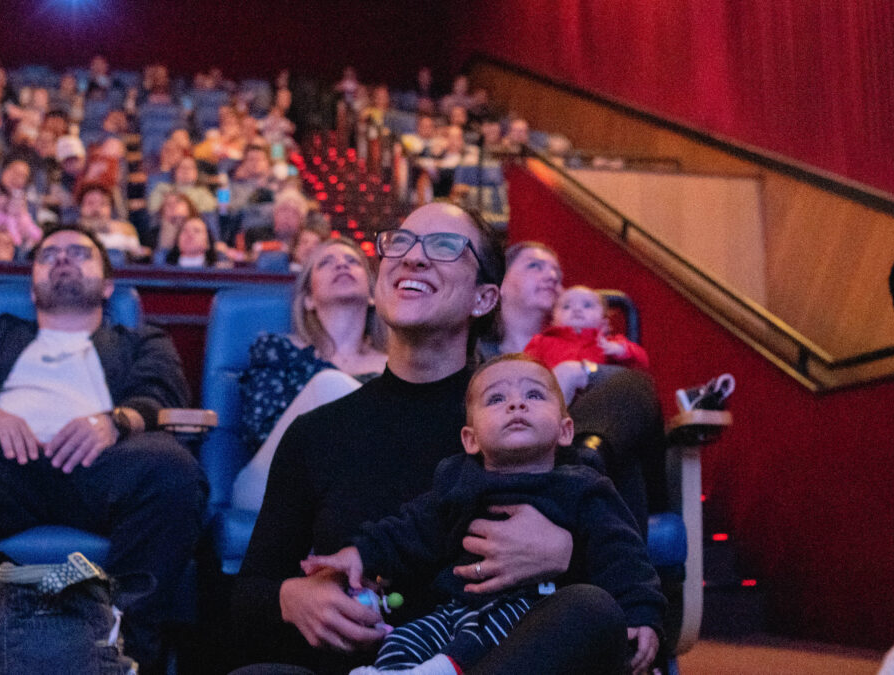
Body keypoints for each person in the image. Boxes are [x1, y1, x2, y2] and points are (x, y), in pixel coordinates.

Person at [230, 203, 627, 675]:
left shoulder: (522, 422)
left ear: (484, 298)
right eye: (400, 242)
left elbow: (618, 581)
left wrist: (564, 553)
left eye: (443, 247)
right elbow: (247, 592)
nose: (412, 258)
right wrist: (290, 597)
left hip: (488, 661)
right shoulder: (316, 433)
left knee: (591, 610)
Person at [0, 225, 206, 675]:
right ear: (32, 287)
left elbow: (162, 391)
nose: (62, 259)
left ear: (107, 285)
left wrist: (113, 423)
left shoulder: (141, 340)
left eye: (79, 253)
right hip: (1, 464)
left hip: (101, 466)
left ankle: (122, 651)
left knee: (173, 469)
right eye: (48, 254)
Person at [301, 355, 664, 675]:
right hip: (456, 610)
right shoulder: (457, 482)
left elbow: (623, 554)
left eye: (534, 395)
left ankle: (443, 669)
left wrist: (641, 613)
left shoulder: (583, 487)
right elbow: (410, 529)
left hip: (531, 613)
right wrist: (357, 555)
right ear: (470, 439)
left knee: (520, 623)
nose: (517, 405)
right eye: (497, 399)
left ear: (566, 430)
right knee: (405, 638)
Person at [483, 241, 666, 540]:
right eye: (535, 266)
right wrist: (557, 384)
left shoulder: (595, 343)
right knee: (618, 459)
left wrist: (580, 370)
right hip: (524, 467)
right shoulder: (480, 356)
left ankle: (584, 459)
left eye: (556, 270)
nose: (552, 276)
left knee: (634, 388)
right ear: (499, 283)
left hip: (583, 455)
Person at [232, 238, 387, 512]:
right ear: (308, 300)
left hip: (365, 496)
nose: (341, 264)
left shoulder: (396, 365)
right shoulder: (278, 351)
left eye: (353, 262)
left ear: (373, 294)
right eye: (326, 263)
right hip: (273, 487)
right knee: (329, 384)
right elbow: (260, 432)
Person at [524, 285, 649, 370]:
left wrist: (622, 351)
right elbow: (523, 369)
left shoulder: (609, 343)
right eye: (566, 307)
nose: (577, 309)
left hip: (597, 400)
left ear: (604, 321)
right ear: (553, 320)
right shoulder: (540, 342)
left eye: (587, 305)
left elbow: (642, 362)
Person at [163, 216, 228, 268]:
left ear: (208, 243)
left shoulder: (219, 273)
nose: (190, 234)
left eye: (197, 230)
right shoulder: (163, 271)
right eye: (185, 230)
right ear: (177, 242)